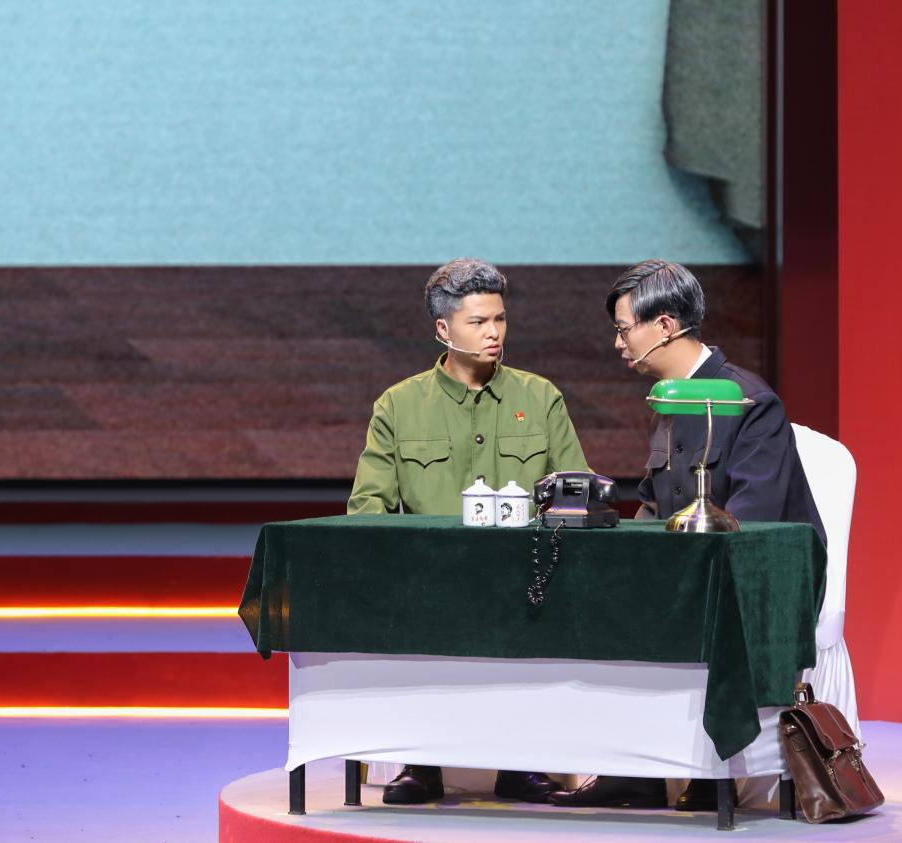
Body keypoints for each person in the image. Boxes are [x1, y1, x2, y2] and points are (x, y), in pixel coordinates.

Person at [548, 258, 826, 812]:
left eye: (624, 329)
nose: (619, 343)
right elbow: (657, 506)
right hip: (689, 568)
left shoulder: (747, 401)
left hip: (758, 574)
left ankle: (707, 769)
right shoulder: (670, 400)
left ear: (665, 326)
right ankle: (637, 770)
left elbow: (754, 521)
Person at [348, 257, 591, 804]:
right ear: (443, 328)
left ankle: (521, 763)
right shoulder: (399, 405)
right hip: (431, 580)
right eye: (478, 322)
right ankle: (421, 763)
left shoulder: (540, 397)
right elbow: (368, 506)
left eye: (499, 319)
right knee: (422, 615)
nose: (493, 333)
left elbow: (575, 493)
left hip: (527, 578)